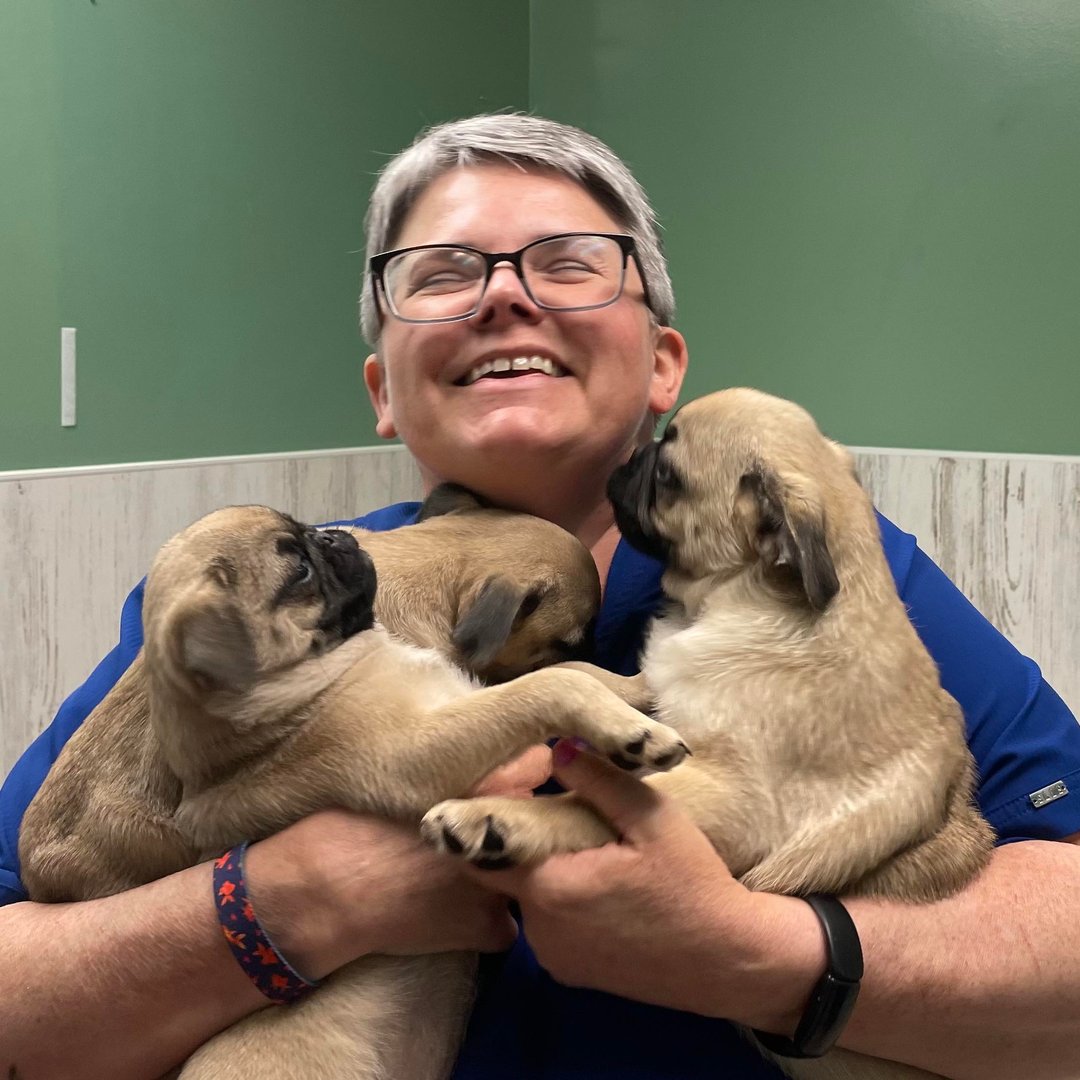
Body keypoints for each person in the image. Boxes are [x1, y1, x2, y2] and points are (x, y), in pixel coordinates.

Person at [2, 113, 1079, 1080]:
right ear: (383, 390)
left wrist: (761, 957)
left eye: (568, 264)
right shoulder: (260, 612)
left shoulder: (816, 574)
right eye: (441, 273)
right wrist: (292, 902)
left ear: (663, 367)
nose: (504, 295)